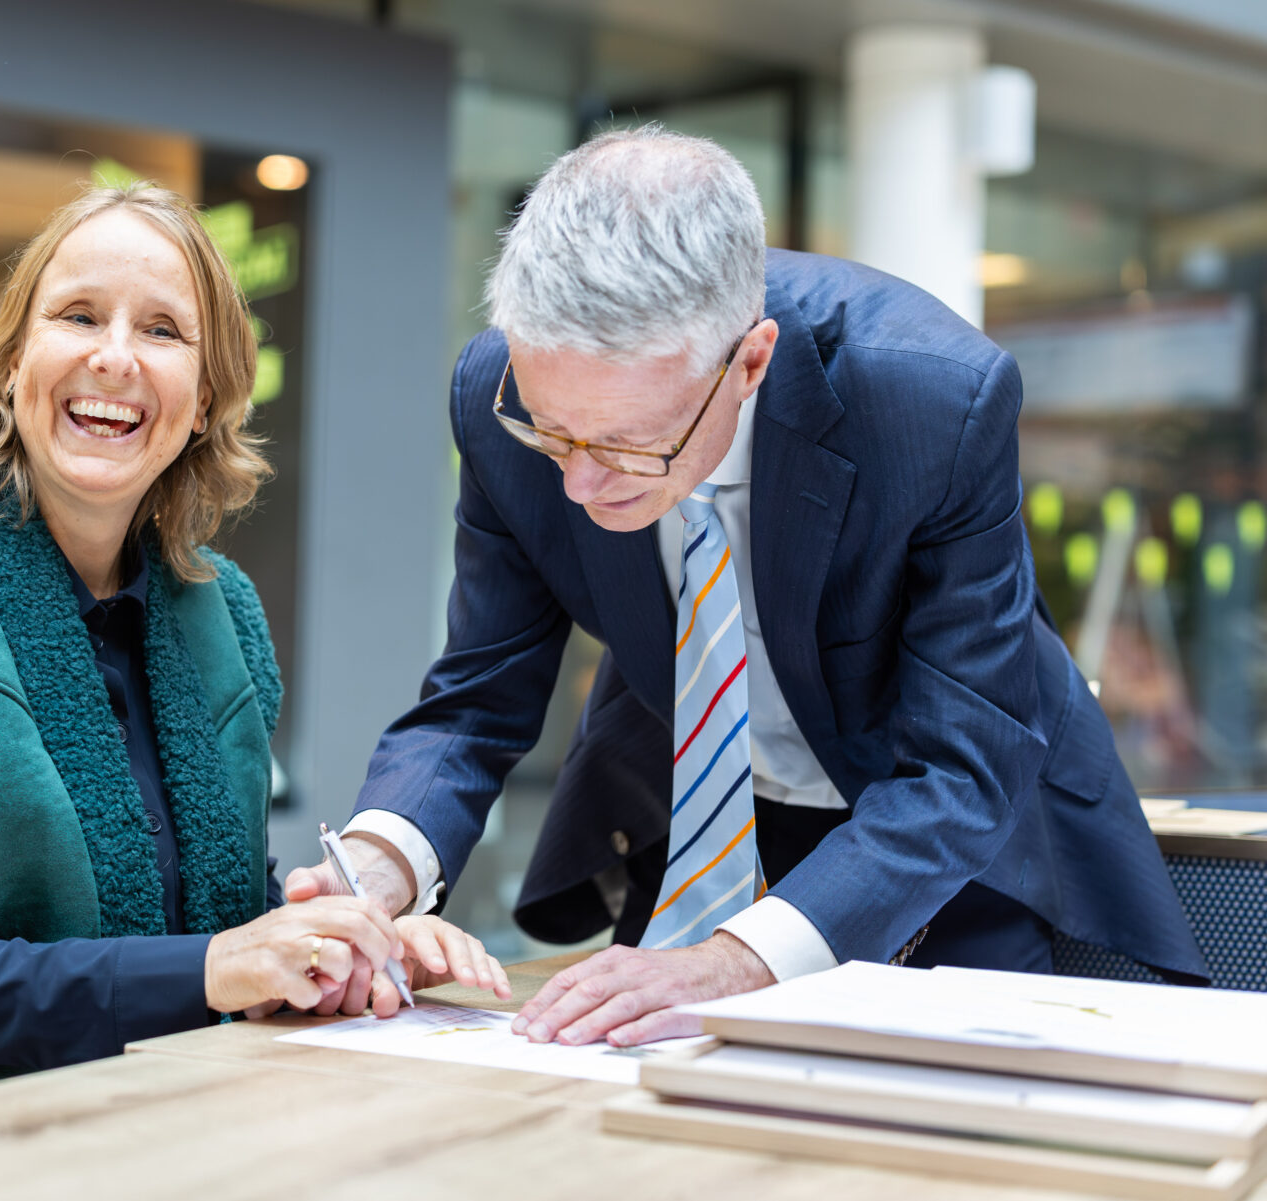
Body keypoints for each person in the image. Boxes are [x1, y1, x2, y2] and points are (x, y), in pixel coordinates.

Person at [288, 127, 1206, 1047]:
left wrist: (736, 965)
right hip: (710, 829)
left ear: (751, 361)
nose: (579, 485)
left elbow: (960, 766)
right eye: (553, 434)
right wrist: (376, 865)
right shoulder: (501, 395)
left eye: (625, 446)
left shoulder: (935, 399)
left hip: (940, 842)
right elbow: (478, 697)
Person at [0, 183, 507, 1130]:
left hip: (153, 1124)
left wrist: (343, 948)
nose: (114, 357)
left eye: (164, 331)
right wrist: (222, 965)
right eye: (78, 315)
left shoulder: (217, 613)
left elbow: (226, 916)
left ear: (206, 396)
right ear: (13, 361)